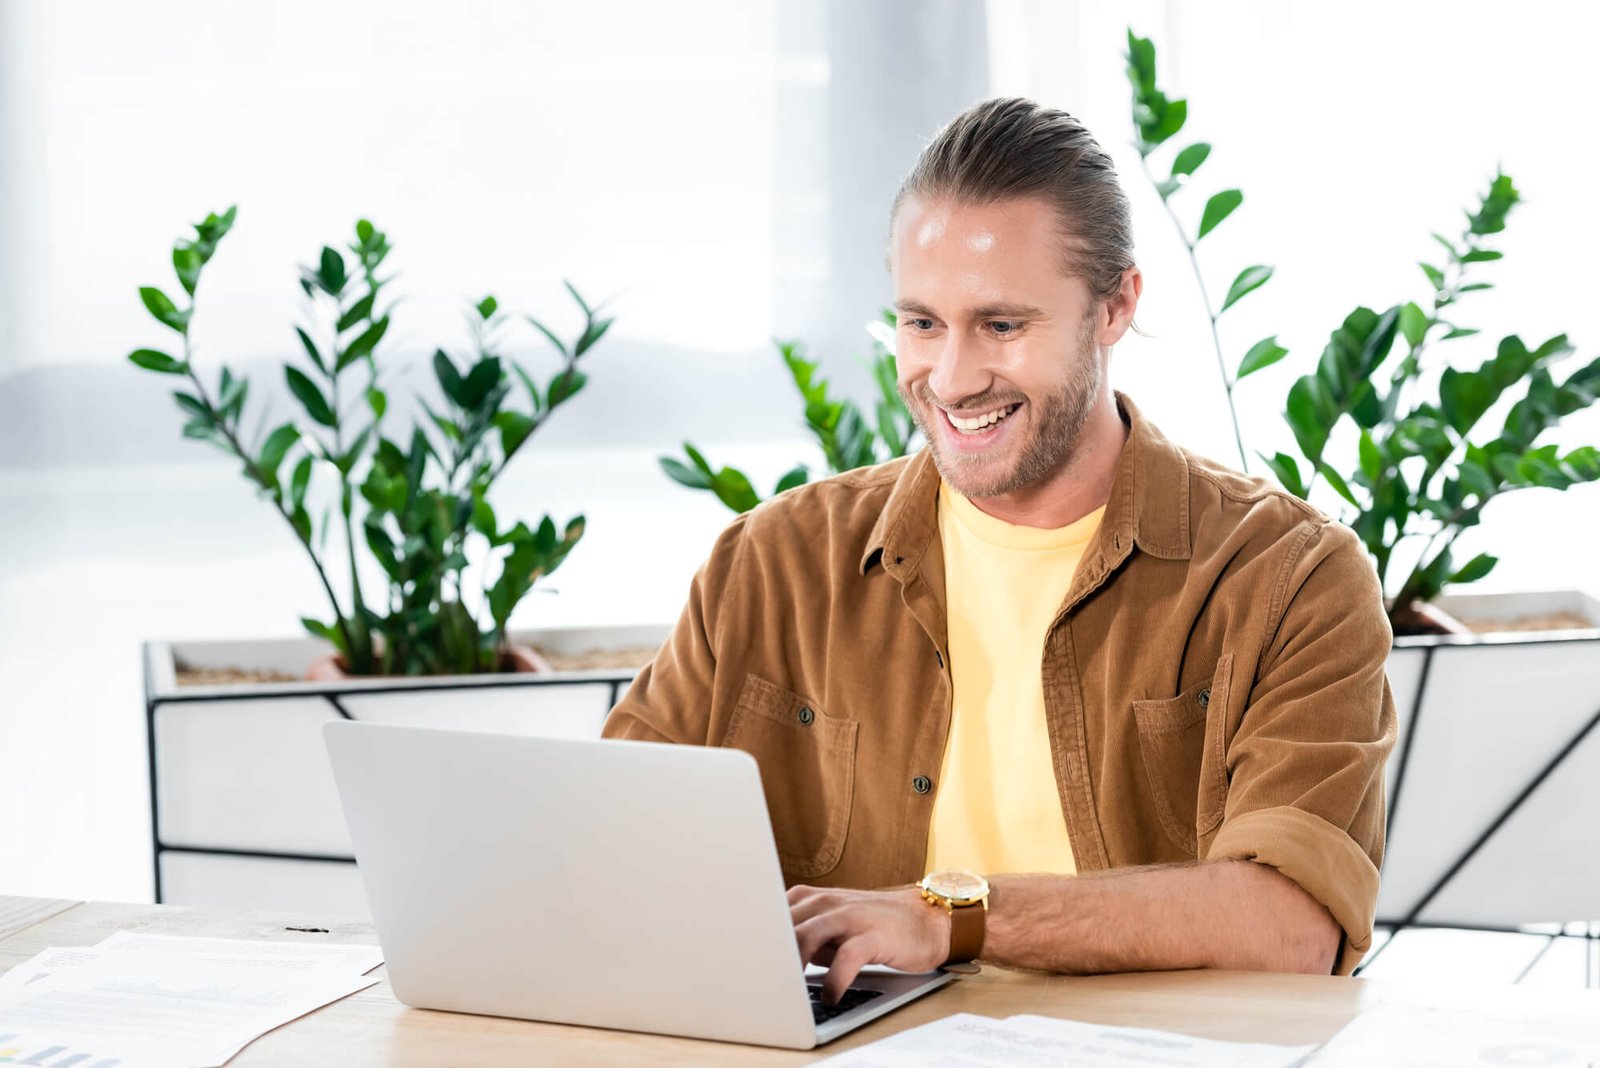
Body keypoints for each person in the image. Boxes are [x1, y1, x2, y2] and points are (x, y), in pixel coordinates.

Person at [603, 97, 1395, 1002]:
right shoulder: (772, 564)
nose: (952, 379)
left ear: (1115, 306)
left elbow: (1293, 923)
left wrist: (950, 916)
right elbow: (615, 840)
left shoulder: (1289, 577)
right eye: (922, 323)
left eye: (1002, 326)